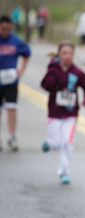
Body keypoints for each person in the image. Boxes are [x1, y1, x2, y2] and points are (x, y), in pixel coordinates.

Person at [40, 41, 85, 184]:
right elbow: (45, 85)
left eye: (70, 53)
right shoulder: (53, 69)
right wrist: (52, 69)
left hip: (71, 113)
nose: (68, 56)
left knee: (67, 143)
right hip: (55, 112)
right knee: (56, 143)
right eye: (64, 53)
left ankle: (64, 172)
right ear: (59, 55)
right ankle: (49, 142)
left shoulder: (77, 72)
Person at [0, 15, 31, 151]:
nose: (5, 31)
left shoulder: (16, 41)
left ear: (11, 28)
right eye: (3, 28)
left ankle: (12, 137)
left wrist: (22, 70)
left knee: (11, 108)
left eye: (8, 29)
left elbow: (27, 53)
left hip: (11, 81)